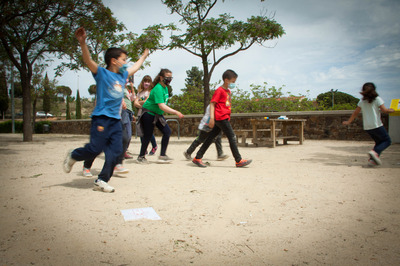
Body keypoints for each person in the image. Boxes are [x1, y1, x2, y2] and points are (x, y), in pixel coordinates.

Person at [63, 27, 149, 192]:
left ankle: (102, 180)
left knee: (116, 151)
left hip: (116, 120)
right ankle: (74, 155)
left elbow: (135, 68)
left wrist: (144, 56)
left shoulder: (122, 76)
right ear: (114, 61)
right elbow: (88, 61)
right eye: (123, 59)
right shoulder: (102, 73)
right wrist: (82, 43)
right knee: (95, 149)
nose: (126, 63)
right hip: (101, 118)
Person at [192, 69, 252, 168]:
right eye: (233, 82)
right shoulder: (219, 91)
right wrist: (212, 118)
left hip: (224, 118)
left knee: (210, 137)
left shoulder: (228, 91)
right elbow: (212, 104)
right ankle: (238, 160)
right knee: (232, 137)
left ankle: (197, 157)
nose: (234, 84)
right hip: (220, 118)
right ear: (226, 80)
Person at [136, 68, 184, 164]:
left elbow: (162, 106)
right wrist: (175, 112)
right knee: (148, 135)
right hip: (148, 113)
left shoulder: (165, 88)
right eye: (167, 77)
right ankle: (141, 157)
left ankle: (162, 155)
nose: (169, 80)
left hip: (157, 114)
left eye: (171, 78)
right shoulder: (158, 88)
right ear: (161, 77)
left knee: (167, 131)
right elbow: (161, 106)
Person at [343, 82, 394, 166]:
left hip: (368, 127)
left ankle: (372, 161)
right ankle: (375, 152)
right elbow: (384, 110)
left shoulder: (362, 101)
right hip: (377, 125)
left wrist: (349, 121)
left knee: (378, 142)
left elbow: (356, 112)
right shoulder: (377, 99)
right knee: (387, 141)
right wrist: (391, 110)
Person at [134, 75, 158, 156]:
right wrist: (141, 104)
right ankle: (144, 149)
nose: (146, 83)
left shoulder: (151, 92)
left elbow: (146, 102)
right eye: (145, 81)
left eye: (148, 81)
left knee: (148, 131)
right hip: (140, 113)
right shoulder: (139, 93)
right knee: (141, 131)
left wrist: (140, 102)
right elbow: (135, 103)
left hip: (148, 113)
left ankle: (154, 146)